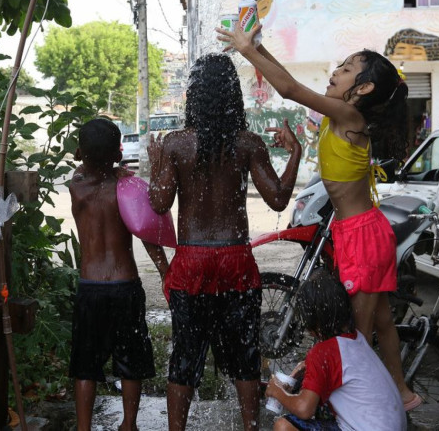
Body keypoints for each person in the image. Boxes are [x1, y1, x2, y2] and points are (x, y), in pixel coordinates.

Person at [217, 22, 420, 410]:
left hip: (361, 235)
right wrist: (257, 47)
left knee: (354, 335)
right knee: (380, 321)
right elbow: (292, 83)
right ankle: (403, 393)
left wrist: (246, 50)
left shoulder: (349, 117)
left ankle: (350, 405)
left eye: (346, 69)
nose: (336, 71)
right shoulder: (340, 116)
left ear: (363, 89)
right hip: (359, 231)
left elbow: (291, 90)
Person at [148, 52, 302, 431]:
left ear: (194, 96)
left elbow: (158, 203)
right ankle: (250, 427)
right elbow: (279, 198)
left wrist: (155, 163)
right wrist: (296, 152)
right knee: (245, 353)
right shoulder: (247, 143)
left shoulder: (176, 143)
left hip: (192, 260)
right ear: (233, 95)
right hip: (236, 258)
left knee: (185, 355)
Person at [69, 118, 170, 431]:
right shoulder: (126, 188)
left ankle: (84, 428)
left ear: (80, 153)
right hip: (125, 285)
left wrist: (90, 157)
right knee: (130, 362)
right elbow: (149, 234)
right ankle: (129, 424)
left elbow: (86, 166)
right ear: (118, 153)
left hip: (91, 287)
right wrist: (167, 274)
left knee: (86, 367)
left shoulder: (76, 186)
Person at [266, 269, 407, 431]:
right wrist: (305, 372)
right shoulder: (356, 339)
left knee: (283, 426)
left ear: (312, 321)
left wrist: (277, 392)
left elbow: (304, 409)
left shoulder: (323, 352)